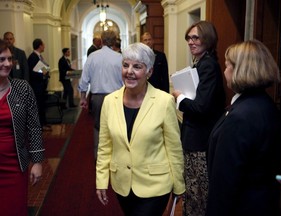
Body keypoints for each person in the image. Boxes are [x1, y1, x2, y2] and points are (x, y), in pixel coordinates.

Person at [96, 42, 185, 215]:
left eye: (137, 67)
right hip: (122, 184)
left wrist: (179, 185)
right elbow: (104, 146)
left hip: (156, 186)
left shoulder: (164, 101)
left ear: (149, 72)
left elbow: (174, 148)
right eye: (125, 65)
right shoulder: (109, 101)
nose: (129, 71)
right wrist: (101, 180)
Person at [206, 40, 281, 216]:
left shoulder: (241, 116)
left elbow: (225, 183)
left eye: (227, 66)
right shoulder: (265, 104)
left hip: (240, 207)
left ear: (239, 70)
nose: (224, 71)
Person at [172, 21, 226, 216]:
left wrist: (180, 98)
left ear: (208, 39)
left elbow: (201, 107)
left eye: (196, 37)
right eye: (189, 38)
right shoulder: (201, 62)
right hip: (195, 136)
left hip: (201, 140)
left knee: (198, 191)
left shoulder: (208, 66)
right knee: (194, 190)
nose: (190, 42)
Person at [0, 39, 44, 215]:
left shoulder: (21, 88)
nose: (8, 64)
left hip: (14, 164)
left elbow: (34, 127)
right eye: (2, 59)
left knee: (14, 209)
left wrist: (37, 161)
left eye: (10, 59)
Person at [79, 30, 123, 160]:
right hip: (116, 97)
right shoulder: (119, 58)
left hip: (97, 98)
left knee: (98, 127)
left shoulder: (92, 57)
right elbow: (126, 80)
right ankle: (116, 156)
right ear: (115, 42)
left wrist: (82, 98)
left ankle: (99, 157)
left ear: (102, 41)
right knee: (116, 126)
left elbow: (84, 79)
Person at [28, 38, 51, 131]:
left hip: (41, 86)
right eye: (43, 44)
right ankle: (40, 126)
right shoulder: (33, 57)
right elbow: (32, 72)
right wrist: (43, 73)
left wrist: (46, 71)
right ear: (40, 46)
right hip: (36, 87)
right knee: (38, 106)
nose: (44, 46)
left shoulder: (39, 56)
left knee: (42, 105)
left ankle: (43, 123)